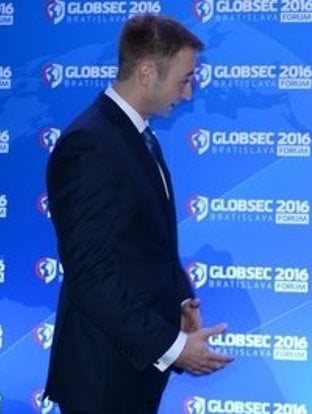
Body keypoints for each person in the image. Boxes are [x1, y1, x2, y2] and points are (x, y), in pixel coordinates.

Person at [44, 14, 233, 414]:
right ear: (147, 72)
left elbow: (146, 244)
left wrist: (180, 301)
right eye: (184, 79)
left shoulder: (137, 137)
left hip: (132, 370)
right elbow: (92, 272)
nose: (187, 93)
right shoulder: (90, 144)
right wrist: (173, 348)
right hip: (102, 376)